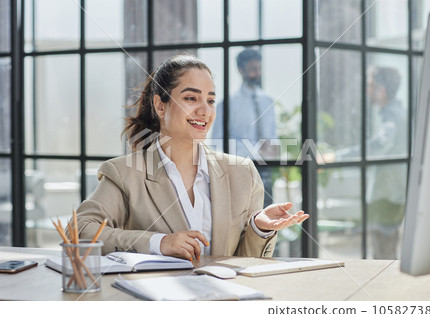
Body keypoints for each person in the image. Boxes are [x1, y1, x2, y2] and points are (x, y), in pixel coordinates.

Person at [73, 55, 309, 260]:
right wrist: (158, 243)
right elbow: (80, 229)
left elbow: (244, 263)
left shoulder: (243, 172)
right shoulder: (125, 173)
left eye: (210, 100)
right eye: (190, 98)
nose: (205, 110)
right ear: (160, 105)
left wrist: (258, 228)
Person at [325, 66, 407, 259]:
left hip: (387, 196)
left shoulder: (393, 116)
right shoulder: (398, 113)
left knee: (383, 254)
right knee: (385, 250)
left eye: (370, 85)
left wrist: (338, 157)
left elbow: (380, 144)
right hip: (393, 194)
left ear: (382, 89)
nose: (367, 91)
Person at [212, 48, 278, 208]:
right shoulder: (228, 104)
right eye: (252, 69)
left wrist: (274, 147)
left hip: (266, 171)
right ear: (241, 70)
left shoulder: (267, 101)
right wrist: (254, 151)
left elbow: (272, 134)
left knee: (267, 218)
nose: (257, 73)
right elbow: (217, 142)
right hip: (239, 169)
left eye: (259, 68)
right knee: (242, 216)